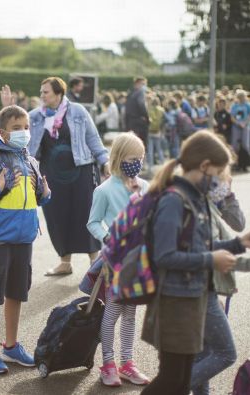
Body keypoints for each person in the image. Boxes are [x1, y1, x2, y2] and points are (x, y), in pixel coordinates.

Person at [141, 130, 250, 395]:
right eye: (218, 174)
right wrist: (211, 259)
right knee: (174, 380)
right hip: (175, 303)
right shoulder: (173, 201)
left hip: (191, 297)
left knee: (181, 380)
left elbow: (198, 247)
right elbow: (164, 256)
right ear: (205, 166)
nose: (219, 182)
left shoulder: (194, 198)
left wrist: (239, 243)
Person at [0, 105, 51, 374]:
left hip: (24, 239)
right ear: (3, 134)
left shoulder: (31, 162)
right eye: (17, 128)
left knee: (16, 293)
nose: (24, 132)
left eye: (26, 127)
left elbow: (36, 198)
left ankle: (11, 346)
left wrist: (46, 194)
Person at [3, 77, 109, 276]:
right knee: (57, 217)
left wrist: (105, 161)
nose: (41, 95)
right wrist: (9, 108)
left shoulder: (78, 111)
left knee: (85, 214)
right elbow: (14, 131)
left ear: (59, 93)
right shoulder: (34, 116)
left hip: (81, 171)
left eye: (46, 92)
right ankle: (65, 262)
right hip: (50, 175)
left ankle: (95, 263)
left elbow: (93, 138)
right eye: (41, 92)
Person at [190, 168, 250, 395]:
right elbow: (211, 254)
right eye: (224, 180)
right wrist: (249, 260)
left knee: (202, 355)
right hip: (201, 293)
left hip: (206, 290)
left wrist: (228, 195)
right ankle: (170, 387)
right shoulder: (197, 209)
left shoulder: (212, 208)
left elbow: (237, 224)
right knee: (226, 353)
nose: (229, 184)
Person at [86, 133, 150, 387]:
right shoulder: (104, 190)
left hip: (139, 263)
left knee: (131, 314)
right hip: (115, 262)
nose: (138, 162)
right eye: (133, 158)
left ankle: (127, 363)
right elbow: (92, 222)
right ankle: (108, 363)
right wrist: (108, 239)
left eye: (141, 158)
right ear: (119, 158)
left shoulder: (144, 187)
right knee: (112, 313)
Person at [125, 77, 150, 144]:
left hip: (131, 122)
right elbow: (141, 104)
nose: (144, 86)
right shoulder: (140, 92)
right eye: (143, 84)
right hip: (139, 122)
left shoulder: (130, 93)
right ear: (137, 83)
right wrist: (147, 117)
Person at [230, 89, 250, 155]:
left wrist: (245, 123)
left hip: (245, 126)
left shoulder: (248, 105)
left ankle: (246, 160)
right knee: (234, 144)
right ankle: (235, 160)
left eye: (243, 96)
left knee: (245, 144)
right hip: (236, 126)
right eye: (240, 97)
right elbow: (232, 117)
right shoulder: (234, 105)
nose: (242, 98)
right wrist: (238, 123)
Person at [146, 96, 166, 171]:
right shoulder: (162, 110)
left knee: (150, 150)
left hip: (150, 131)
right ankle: (163, 165)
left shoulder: (149, 110)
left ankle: (150, 167)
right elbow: (164, 122)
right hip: (158, 131)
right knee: (159, 149)